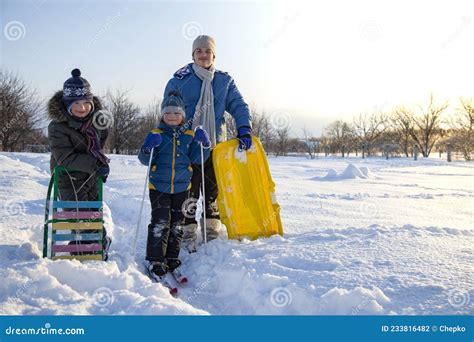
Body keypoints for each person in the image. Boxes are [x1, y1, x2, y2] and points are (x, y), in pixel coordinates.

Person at [164, 34, 253, 252]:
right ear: (193, 55)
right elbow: (168, 109)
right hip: (187, 145)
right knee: (189, 190)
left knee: (213, 190)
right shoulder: (179, 80)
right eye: (199, 51)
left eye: (207, 51)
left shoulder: (224, 81)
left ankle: (212, 229)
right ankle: (187, 230)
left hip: (215, 145)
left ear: (214, 55)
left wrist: (244, 128)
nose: (203, 55)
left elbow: (239, 105)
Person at [138, 90, 210, 280]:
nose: (172, 117)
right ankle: (155, 258)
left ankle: (171, 256)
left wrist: (204, 144)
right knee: (160, 222)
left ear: (183, 116)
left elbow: (198, 157)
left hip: (181, 187)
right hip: (158, 187)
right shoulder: (156, 134)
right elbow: (144, 160)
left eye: (176, 113)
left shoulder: (188, 136)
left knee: (177, 224)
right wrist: (147, 147)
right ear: (162, 115)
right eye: (168, 113)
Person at [47, 68, 111, 259]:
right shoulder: (57, 127)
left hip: (91, 176)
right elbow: (64, 157)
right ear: (67, 105)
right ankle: (85, 246)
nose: (82, 108)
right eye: (76, 103)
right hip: (68, 176)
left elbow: (101, 141)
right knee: (77, 214)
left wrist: (98, 163)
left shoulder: (97, 121)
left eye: (86, 103)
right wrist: (96, 163)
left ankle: (97, 242)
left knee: (92, 212)